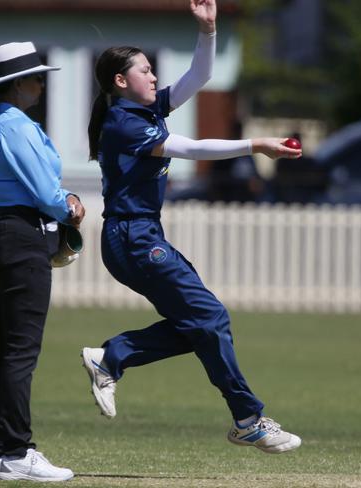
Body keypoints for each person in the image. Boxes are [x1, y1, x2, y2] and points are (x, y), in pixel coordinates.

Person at [81, 0, 302, 454]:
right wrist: (255, 144)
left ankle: (113, 356)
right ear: (121, 81)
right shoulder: (124, 123)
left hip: (141, 237)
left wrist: (208, 31)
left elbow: (198, 78)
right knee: (211, 318)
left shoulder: (141, 112)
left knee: (202, 322)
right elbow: (192, 148)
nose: (155, 76)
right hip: (132, 238)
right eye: (145, 70)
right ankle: (248, 418)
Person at [0, 41, 85, 482]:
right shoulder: (14, 123)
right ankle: (17, 450)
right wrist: (70, 206)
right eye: (37, 77)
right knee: (19, 353)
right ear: (18, 84)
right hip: (21, 237)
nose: (42, 84)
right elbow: (45, 191)